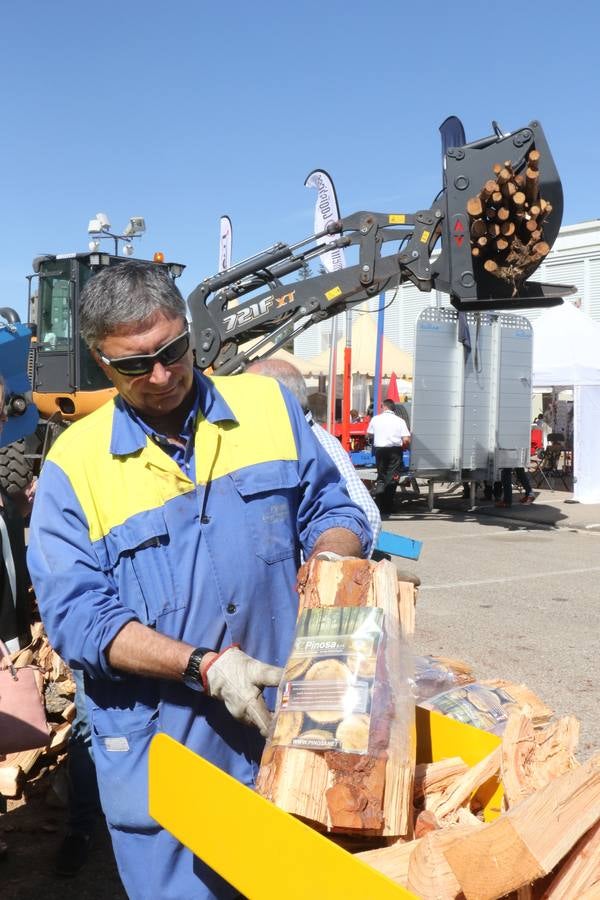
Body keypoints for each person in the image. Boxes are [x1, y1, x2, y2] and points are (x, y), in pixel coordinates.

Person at [27, 261, 371, 900]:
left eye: (173, 352)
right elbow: (79, 621)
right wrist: (205, 668)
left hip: (296, 734)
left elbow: (336, 507)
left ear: (189, 332)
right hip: (172, 761)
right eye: (136, 365)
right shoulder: (75, 467)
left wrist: (330, 557)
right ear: (104, 365)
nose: (161, 376)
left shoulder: (267, 406)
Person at [246, 359, 381, 552]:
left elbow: (369, 516)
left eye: (246, 394)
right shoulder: (286, 438)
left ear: (278, 398)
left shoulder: (316, 441)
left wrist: (317, 570)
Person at [367, 399, 411, 515]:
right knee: (392, 479)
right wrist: (404, 447)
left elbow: (369, 434)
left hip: (380, 451)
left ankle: (379, 506)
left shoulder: (375, 419)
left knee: (381, 477)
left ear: (384, 407)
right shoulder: (400, 421)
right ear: (393, 408)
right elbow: (406, 439)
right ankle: (388, 508)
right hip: (394, 451)